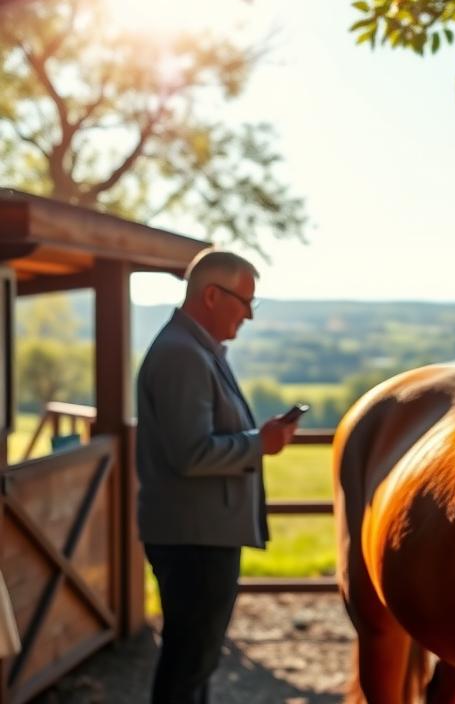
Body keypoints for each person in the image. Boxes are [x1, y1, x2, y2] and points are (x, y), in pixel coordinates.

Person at [135, 248, 299, 704]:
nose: (248, 315)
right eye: (245, 302)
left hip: (200, 536)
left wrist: (255, 438)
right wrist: (259, 444)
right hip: (194, 540)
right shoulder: (182, 356)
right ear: (211, 295)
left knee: (195, 661)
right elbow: (191, 454)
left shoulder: (194, 350)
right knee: (189, 664)